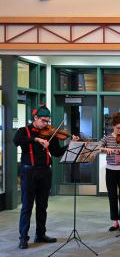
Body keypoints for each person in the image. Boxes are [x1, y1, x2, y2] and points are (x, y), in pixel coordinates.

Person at [14, 105, 79, 249]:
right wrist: (37, 139)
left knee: (42, 205)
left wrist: (70, 145)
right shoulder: (23, 131)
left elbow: (56, 152)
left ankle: (40, 234)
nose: (46, 124)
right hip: (29, 172)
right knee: (27, 206)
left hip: (45, 172)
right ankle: (23, 238)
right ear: (35, 118)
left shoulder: (50, 133)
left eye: (48, 121)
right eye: (43, 121)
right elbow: (17, 141)